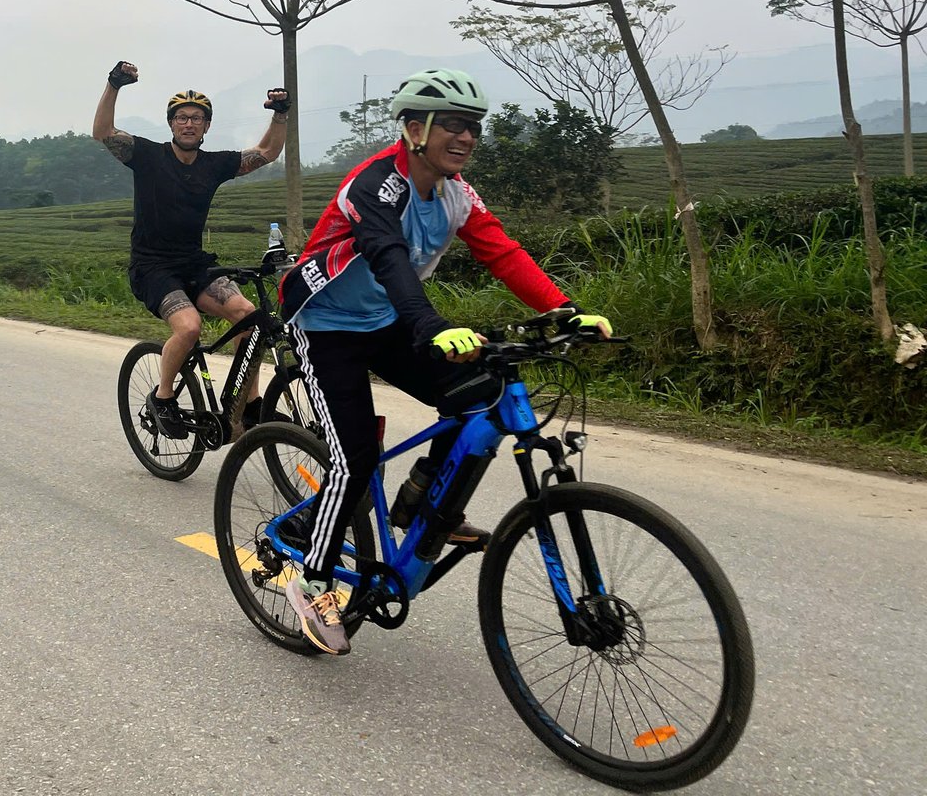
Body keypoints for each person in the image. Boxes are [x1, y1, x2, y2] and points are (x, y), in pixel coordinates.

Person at [274, 67, 612, 655]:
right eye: (452, 125)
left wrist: (564, 310)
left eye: (472, 128)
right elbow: (387, 255)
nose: (466, 138)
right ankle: (313, 578)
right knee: (355, 459)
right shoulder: (374, 185)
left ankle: (422, 504)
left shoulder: (458, 193)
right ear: (414, 129)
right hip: (325, 326)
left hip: (386, 321)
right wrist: (430, 324)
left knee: (479, 393)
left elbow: (501, 252)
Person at [93, 61, 290, 440]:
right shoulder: (148, 156)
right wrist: (113, 85)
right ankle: (163, 398)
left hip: (195, 264)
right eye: (182, 117)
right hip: (152, 267)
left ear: (206, 126)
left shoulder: (213, 164)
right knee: (189, 326)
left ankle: (247, 407)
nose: (189, 123)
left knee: (248, 317)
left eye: (197, 118)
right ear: (171, 124)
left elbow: (267, 151)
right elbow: (102, 132)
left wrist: (281, 115)